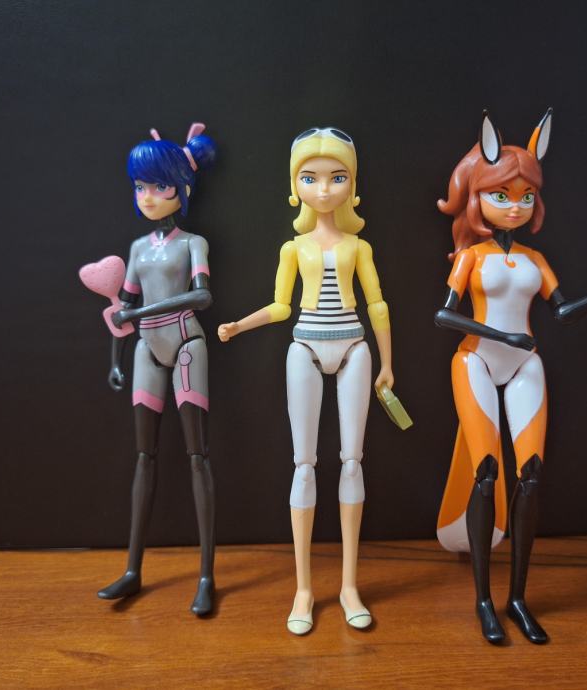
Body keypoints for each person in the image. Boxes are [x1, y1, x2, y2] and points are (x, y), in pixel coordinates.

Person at [434, 109, 587, 644]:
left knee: (530, 475)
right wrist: (502, 336)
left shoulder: (535, 259)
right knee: (488, 472)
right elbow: (443, 315)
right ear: (478, 197)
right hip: (476, 360)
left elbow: (564, 310)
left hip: (525, 363)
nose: (515, 205)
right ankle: (483, 600)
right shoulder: (471, 257)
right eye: (502, 194)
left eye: (525, 196)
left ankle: (518, 599)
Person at [218, 127, 393, 635]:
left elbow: (378, 304)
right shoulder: (293, 248)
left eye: (337, 177)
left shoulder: (359, 246)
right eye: (310, 178)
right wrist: (240, 325)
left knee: (353, 461)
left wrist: (387, 363)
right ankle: (303, 590)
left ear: (352, 185)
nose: (324, 188)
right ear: (295, 187)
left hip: (355, 347)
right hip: (305, 347)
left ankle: (349, 585)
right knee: (304, 465)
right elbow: (281, 305)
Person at [96, 123, 218, 616]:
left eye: (158, 186)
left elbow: (202, 296)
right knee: (143, 456)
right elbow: (122, 309)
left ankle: (206, 576)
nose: (147, 196)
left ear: (181, 189)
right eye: (140, 186)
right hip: (146, 349)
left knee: (197, 455)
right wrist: (115, 360)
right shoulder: (138, 248)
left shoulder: (193, 242)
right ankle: (132, 569)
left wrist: (139, 314)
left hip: (186, 342)